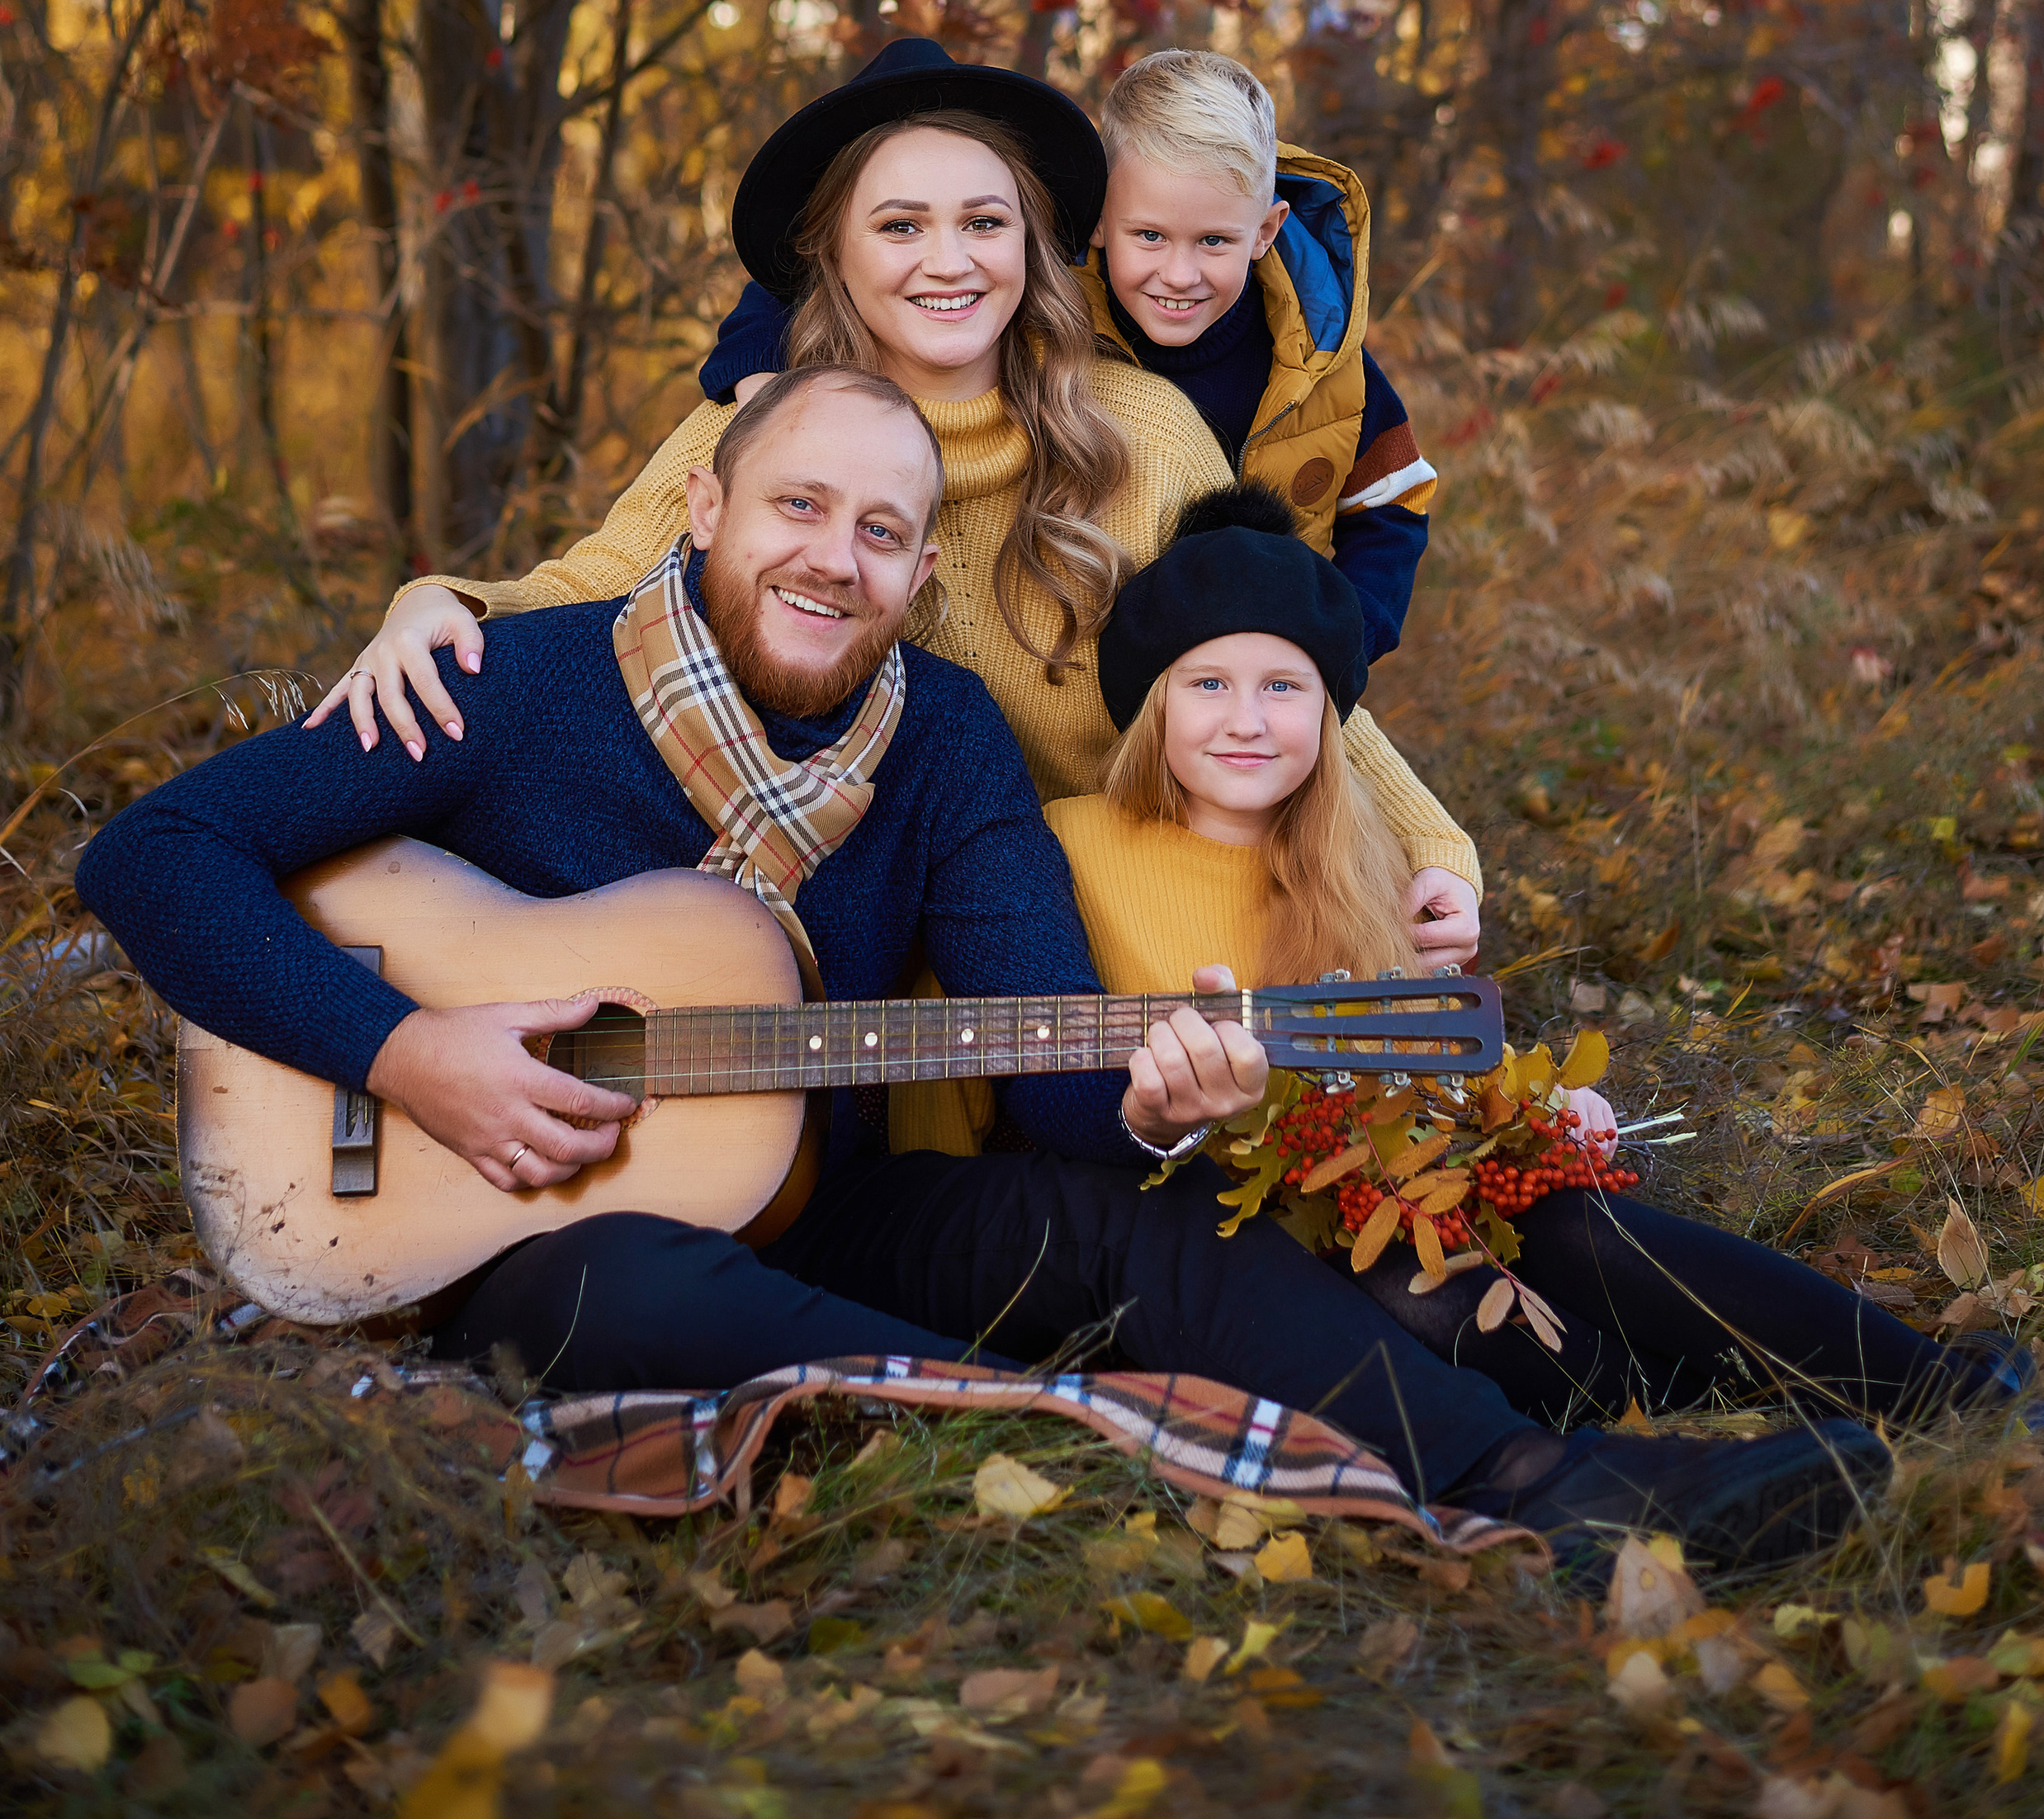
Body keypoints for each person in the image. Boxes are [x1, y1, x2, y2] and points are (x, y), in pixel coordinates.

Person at [82, 369, 1889, 1585]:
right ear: (705, 505)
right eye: (797, 506)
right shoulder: (507, 682)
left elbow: (1042, 1074)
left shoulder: (937, 736)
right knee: (629, 1291)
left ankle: (1535, 1488)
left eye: (881, 532)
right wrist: (403, 1052)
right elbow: (153, 858)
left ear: (918, 562)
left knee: (1127, 1243)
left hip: (829, 1207)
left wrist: (1157, 1101)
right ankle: (1044, 1418)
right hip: (515, 1222)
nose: (833, 557)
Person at [306, 40, 1481, 966]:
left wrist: (1428, 845)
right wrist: (437, 601)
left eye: (984, 224)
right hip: (887, 974)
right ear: (840, 255)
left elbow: (1272, 656)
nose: (950, 261)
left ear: (1035, 244)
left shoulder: (1147, 430)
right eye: (902, 227)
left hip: (1135, 948)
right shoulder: (760, 436)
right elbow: (586, 586)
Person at [1049, 487, 2027, 1455]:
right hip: (1219, 1219)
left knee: (1575, 1228)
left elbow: (1417, 1047)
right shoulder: (1076, 844)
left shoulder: (1353, 860)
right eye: (1208, 684)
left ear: (1328, 712)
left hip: (1391, 1173)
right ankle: (1695, 1408)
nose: (1247, 721)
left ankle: (1937, 1389)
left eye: (1283, 686)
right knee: (1434, 1296)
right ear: (1153, 703)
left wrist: (1527, 1102)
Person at [698, 46, 1434, 671]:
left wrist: (1340, 633)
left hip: (1256, 649)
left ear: (1266, 231)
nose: (1179, 275)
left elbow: (1392, 503)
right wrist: (760, 370)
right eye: (1149, 236)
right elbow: (813, 275)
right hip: (1084, 618)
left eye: (1213, 242)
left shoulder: (1318, 358)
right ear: (1101, 221)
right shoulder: (1049, 291)